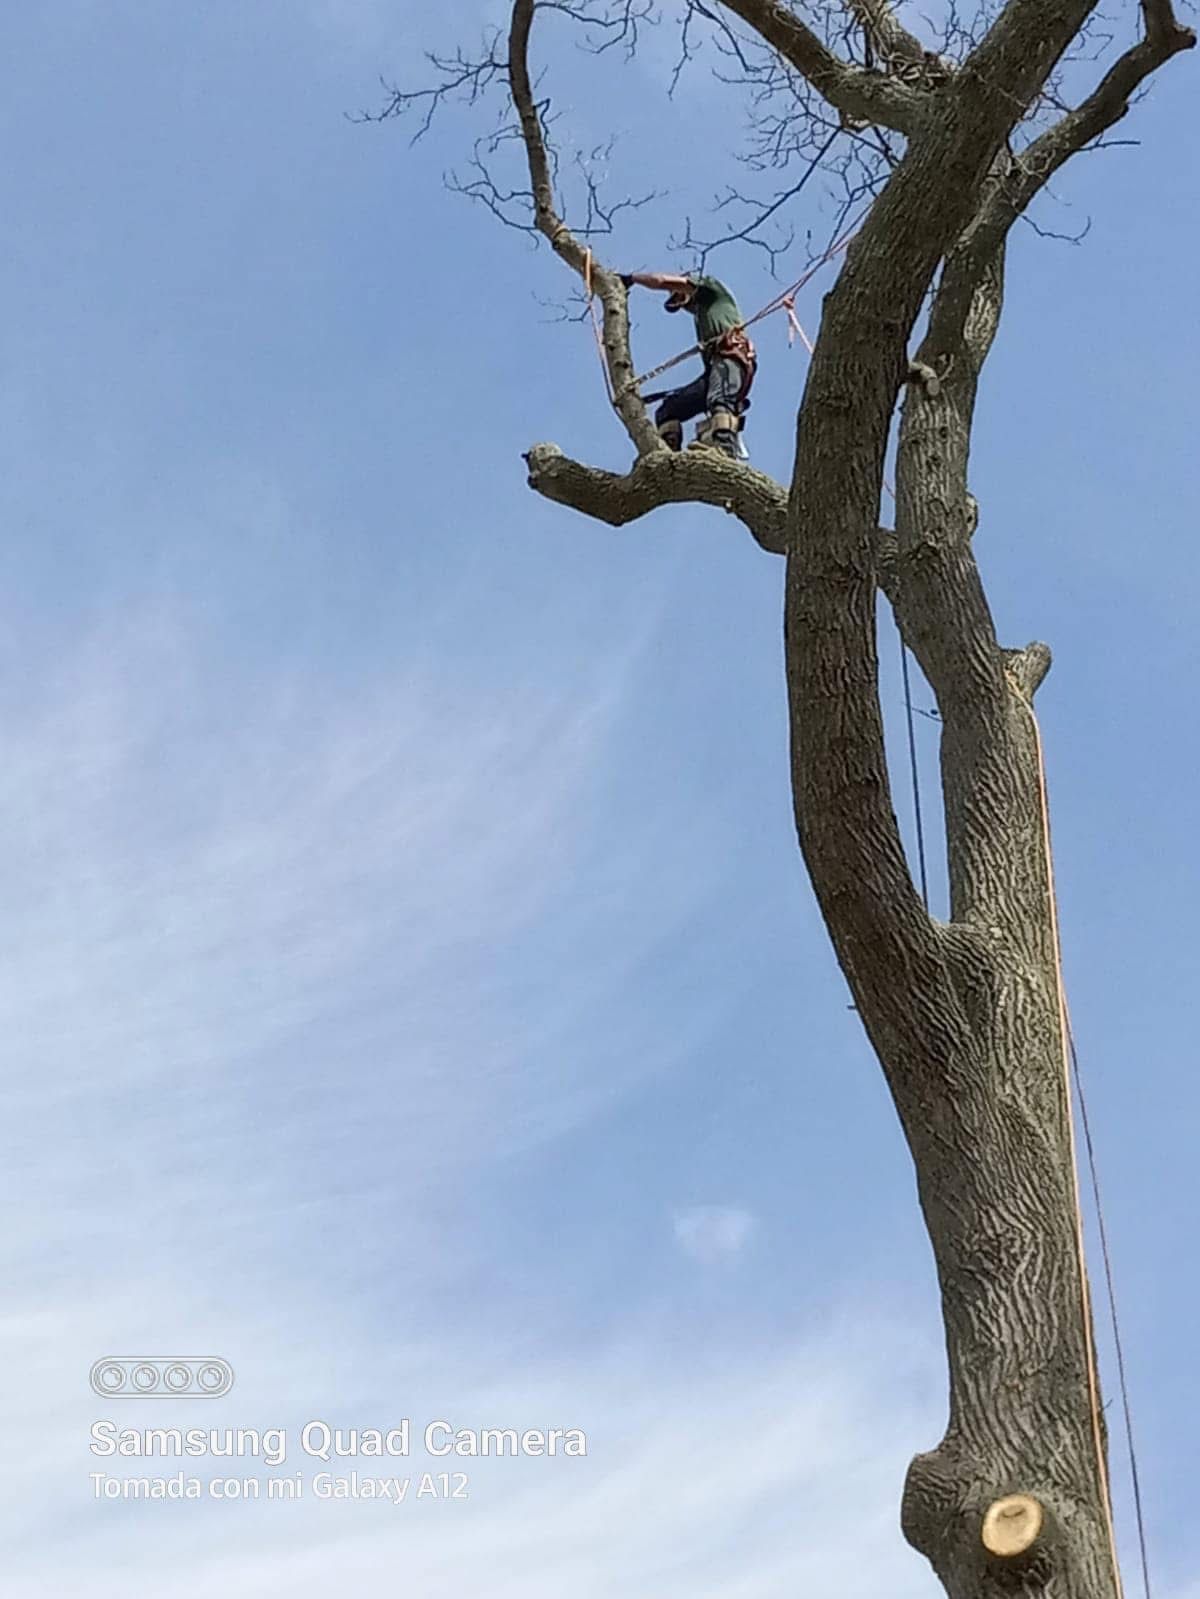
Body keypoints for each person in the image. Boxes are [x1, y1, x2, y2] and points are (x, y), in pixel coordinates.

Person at [621, 271, 756, 459]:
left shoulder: (712, 290)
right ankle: (668, 456)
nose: (683, 306)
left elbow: (661, 281)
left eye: (679, 295)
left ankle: (724, 448)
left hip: (731, 358)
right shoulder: (702, 316)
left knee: (720, 399)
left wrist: (631, 279)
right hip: (714, 368)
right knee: (668, 410)